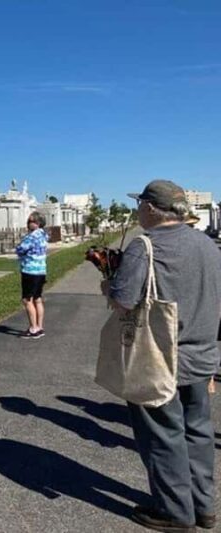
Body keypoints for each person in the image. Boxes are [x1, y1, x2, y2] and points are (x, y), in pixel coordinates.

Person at [107, 180, 221, 532]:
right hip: (202, 355)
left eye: (140, 203)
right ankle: (204, 506)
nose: (138, 210)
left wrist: (109, 280)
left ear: (153, 209)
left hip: (159, 357)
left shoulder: (145, 246)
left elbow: (123, 300)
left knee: (162, 436)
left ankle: (175, 512)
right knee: (197, 432)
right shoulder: (208, 245)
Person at [15, 211, 48, 339]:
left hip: (30, 271)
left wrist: (19, 249)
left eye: (31, 221)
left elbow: (20, 249)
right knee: (37, 299)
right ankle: (40, 326)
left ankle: (33, 329)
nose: (28, 223)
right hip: (41, 270)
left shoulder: (31, 237)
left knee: (27, 300)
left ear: (38, 223)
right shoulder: (44, 235)